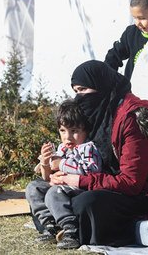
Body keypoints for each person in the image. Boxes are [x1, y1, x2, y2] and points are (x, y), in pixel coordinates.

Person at [48, 60, 148, 246]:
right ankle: (63, 228)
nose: (79, 98)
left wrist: (79, 181)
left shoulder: (132, 119)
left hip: (146, 192)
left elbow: (131, 182)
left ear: (100, 86)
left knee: (87, 202)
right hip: (112, 186)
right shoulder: (100, 113)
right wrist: (62, 175)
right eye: (76, 91)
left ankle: (72, 228)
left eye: (83, 90)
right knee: (44, 190)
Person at [26, 99, 102, 249]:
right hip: (61, 186)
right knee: (33, 187)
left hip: (78, 188)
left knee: (54, 192)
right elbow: (46, 177)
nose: (68, 137)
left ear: (85, 130)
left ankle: (70, 230)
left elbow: (90, 171)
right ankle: (50, 225)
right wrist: (45, 162)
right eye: (63, 131)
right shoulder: (63, 148)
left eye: (74, 131)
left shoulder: (87, 148)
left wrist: (61, 164)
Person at [104, 0, 148, 79]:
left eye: (142, 18)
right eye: (134, 18)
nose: (137, 23)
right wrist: (108, 78)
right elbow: (114, 55)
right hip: (133, 90)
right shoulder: (131, 33)